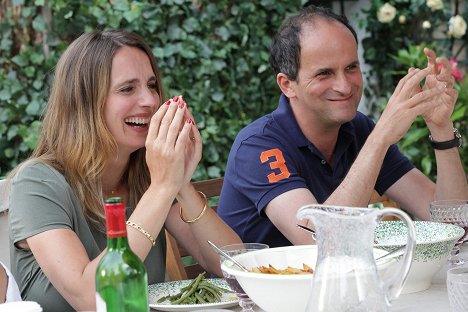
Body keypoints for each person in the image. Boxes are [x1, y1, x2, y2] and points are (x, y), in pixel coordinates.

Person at [7, 30, 241, 311]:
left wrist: (180, 183)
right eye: (127, 88)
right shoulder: (37, 184)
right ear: (84, 103)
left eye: (152, 85)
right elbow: (92, 300)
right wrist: (163, 187)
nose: (150, 100)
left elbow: (234, 267)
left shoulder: (146, 177)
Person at [217, 5, 467, 248]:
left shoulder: (358, 129)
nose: (345, 86)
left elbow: (450, 223)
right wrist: (380, 137)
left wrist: (441, 127)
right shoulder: (258, 145)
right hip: (257, 291)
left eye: (351, 67)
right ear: (287, 85)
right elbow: (319, 242)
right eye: (324, 73)